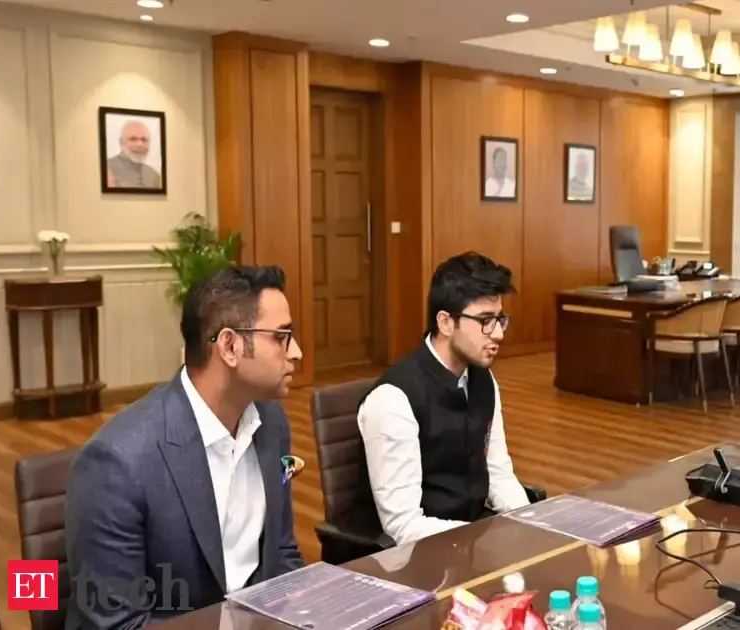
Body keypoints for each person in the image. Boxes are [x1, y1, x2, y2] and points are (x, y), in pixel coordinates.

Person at [65, 265, 305, 628]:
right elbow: (119, 624)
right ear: (230, 346)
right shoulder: (116, 464)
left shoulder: (270, 423)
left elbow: (281, 553)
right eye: (280, 337)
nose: (296, 352)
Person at [358, 251, 530, 544]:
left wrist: (532, 525)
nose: (498, 334)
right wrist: (476, 541)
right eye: (485, 320)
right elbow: (403, 526)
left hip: (470, 538)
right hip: (418, 552)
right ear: (446, 322)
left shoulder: (482, 379)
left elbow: (498, 475)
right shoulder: (393, 399)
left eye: (500, 319)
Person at [106, 119, 163, 188]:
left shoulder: (155, 176)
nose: (139, 144)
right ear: (121, 142)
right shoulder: (105, 168)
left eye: (144, 140)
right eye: (133, 139)